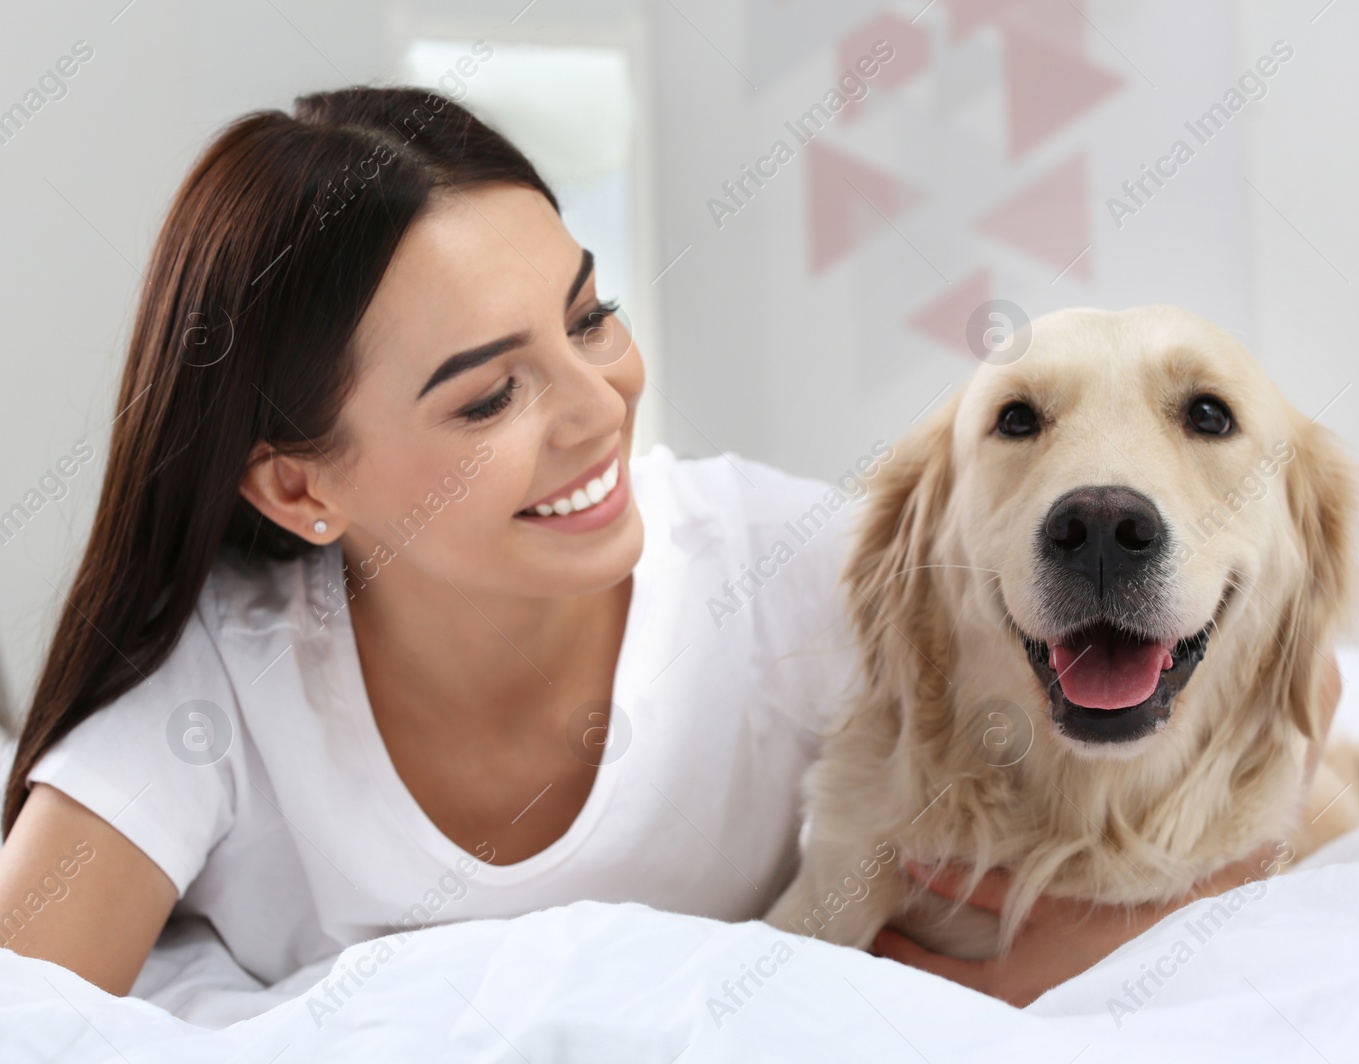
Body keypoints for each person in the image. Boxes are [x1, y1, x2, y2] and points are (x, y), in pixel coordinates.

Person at [0, 87, 859, 995]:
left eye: (589, 319)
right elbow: (24, 1007)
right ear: (299, 485)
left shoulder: (791, 566)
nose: (600, 406)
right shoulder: (219, 673)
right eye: (491, 395)